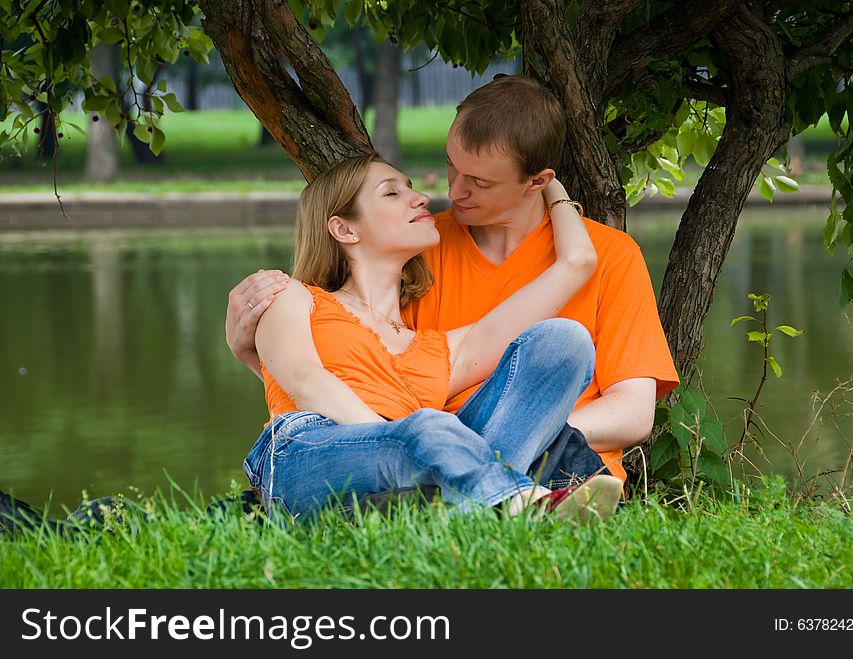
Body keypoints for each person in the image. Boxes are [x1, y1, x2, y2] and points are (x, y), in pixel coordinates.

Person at [227, 75, 679, 487]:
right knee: (427, 433)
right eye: (451, 167)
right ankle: (499, 494)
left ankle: (483, 486)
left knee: (563, 341)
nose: (452, 191)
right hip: (405, 448)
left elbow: (634, 413)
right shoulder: (417, 249)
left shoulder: (611, 257)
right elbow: (339, 373)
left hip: (506, 455)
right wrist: (258, 355)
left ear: (536, 181)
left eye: (479, 182)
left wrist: (502, 434)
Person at [244, 153, 623, 521]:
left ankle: (471, 509)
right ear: (345, 228)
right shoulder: (293, 296)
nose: (421, 197)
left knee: (563, 341)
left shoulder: (438, 349)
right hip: (305, 456)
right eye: (392, 193)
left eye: (412, 188)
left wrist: (548, 184)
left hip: (417, 469)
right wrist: (399, 434)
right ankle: (524, 501)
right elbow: (304, 381)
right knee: (431, 425)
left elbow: (577, 264)